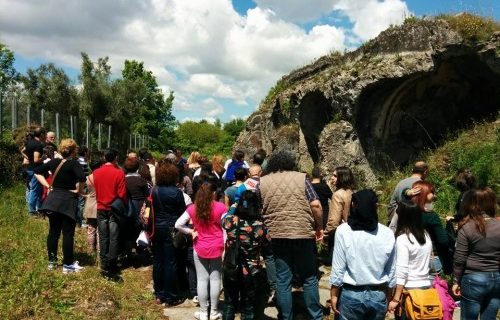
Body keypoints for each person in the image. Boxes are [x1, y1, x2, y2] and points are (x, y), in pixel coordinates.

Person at [257, 150, 324, 320]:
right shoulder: (302, 178)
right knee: (309, 278)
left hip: (277, 234)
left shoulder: (262, 182)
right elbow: (315, 205)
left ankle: (286, 316)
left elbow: (259, 209)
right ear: (291, 163)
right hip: (302, 233)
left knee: (283, 279)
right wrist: (319, 227)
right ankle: (315, 316)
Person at [330, 189, 396, 320]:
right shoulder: (387, 233)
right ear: (375, 207)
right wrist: (390, 297)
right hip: (378, 295)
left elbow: (338, 269)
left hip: (351, 294)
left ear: (354, 206)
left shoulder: (343, 231)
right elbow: (392, 271)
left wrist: (334, 295)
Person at [175, 176, 226, 320]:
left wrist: (191, 231)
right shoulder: (221, 207)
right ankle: (214, 311)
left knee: (202, 280)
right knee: (216, 279)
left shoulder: (193, 208)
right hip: (217, 246)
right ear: (213, 194)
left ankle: (204, 312)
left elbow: (178, 224)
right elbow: (226, 229)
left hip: (199, 246)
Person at [34, 139, 86, 273]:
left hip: (53, 201)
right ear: (74, 151)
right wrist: (79, 191)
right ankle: (68, 264)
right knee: (68, 234)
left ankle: (52, 262)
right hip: (67, 201)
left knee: (53, 232)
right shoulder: (74, 164)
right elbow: (82, 178)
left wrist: (47, 185)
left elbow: (37, 171)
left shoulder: (53, 162)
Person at [222, 190, 270, 320]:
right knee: (248, 304)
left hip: (231, 266)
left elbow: (225, 216)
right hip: (251, 270)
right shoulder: (260, 227)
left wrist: (234, 206)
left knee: (229, 302)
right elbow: (267, 244)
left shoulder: (230, 222)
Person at [452, 188, 500, 320]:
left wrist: (456, 280)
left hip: (473, 278)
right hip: (496, 278)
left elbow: (459, 259)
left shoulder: (467, 227)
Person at [387, 201, 432, 318]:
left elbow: (402, 271)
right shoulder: (426, 236)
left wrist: (396, 299)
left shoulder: (403, 239)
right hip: (426, 286)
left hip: (409, 290)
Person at [150, 163, 187, 306]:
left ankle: (159, 294)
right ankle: (170, 295)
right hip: (171, 229)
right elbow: (182, 213)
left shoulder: (154, 190)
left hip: (156, 228)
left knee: (158, 261)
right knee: (171, 262)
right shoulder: (177, 192)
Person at [93, 148, 128, 281]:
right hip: (114, 208)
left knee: (103, 235)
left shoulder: (96, 172)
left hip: (101, 207)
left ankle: (103, 262)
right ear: (116, 158)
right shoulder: (119, 173)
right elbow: (122, 194)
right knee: (114, 236)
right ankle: (112, 263)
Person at [408, 181, 452, 275]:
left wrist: (407, 193)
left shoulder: (406, 212)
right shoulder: (431, 216)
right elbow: (443, 241)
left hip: (411, 256)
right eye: (432, 192)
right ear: (425, 194)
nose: (434, 195)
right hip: (431, 257)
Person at [324, 167, 355, 262]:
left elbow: (334, 220)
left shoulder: (338, 194)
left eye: (335, 176)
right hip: (353, 231)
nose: (332, 178)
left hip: (339, 234)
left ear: (342, 177)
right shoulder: (351, 192)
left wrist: (326, 233)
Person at [25, 126, 47, 216]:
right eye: (45, 134)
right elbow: (36, 159)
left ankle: (38, 209)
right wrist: (44, 158)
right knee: (34, 190)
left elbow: (24, 152)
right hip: (35, 170)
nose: (45, 135)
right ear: (41, 134)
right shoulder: (38, 144)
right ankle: (32, 211)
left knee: (37, 190)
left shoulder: (29, 143)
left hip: (29, 169)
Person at [83, 160, 104, 252]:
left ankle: (90, 249)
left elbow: (78, 189)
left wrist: (85, 195)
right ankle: (100, 250)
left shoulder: (87, 178)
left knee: (91, 229)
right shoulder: (102, 177)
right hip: (100, 204)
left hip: (90, 204)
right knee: (100, 230)